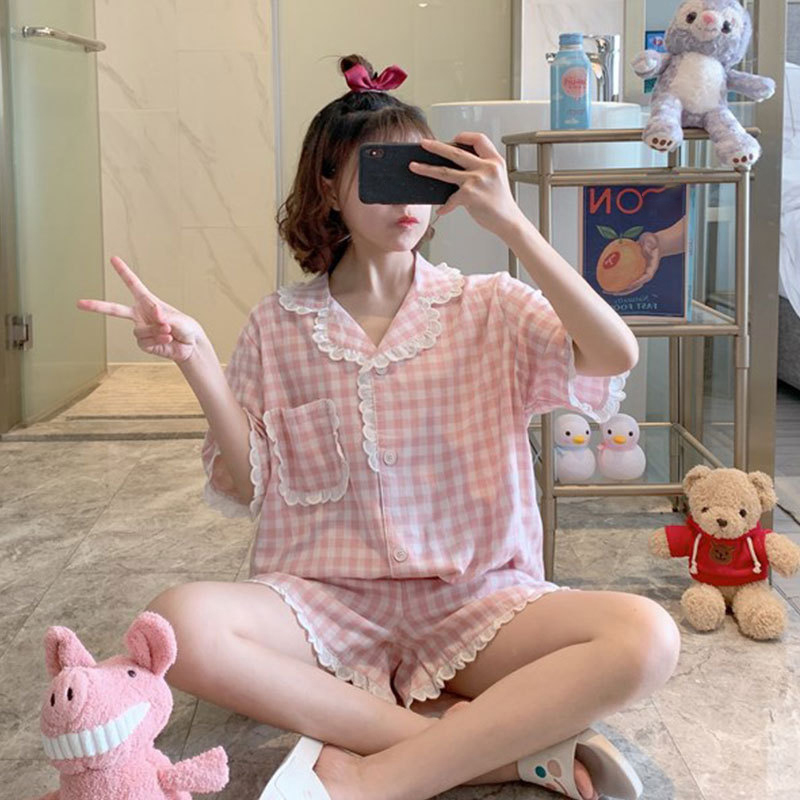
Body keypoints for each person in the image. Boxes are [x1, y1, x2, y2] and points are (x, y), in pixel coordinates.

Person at [78, 53, 680, 800]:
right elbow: (246, 483)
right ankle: (486, 753)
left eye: (421, 172)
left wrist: (511, 221)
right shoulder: (278, 324)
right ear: (329, 186)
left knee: (646, 638)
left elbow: (613, 354)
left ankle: (374, 775)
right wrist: (196, 356)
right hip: (323, 606)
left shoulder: (490, 305)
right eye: (381, 170)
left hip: (478, 604)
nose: (406, 197)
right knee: (177, 625)